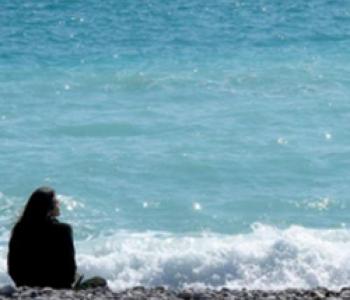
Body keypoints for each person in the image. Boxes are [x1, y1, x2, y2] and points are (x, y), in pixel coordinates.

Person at [7, 187, 76, 288]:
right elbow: (69, 269)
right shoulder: (63, 230)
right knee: (97, 281)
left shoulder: (20, 229)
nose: (59, 204)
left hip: (25, 285)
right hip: (58, 286)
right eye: (56, 202)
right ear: (49, 208)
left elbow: (12, 267)